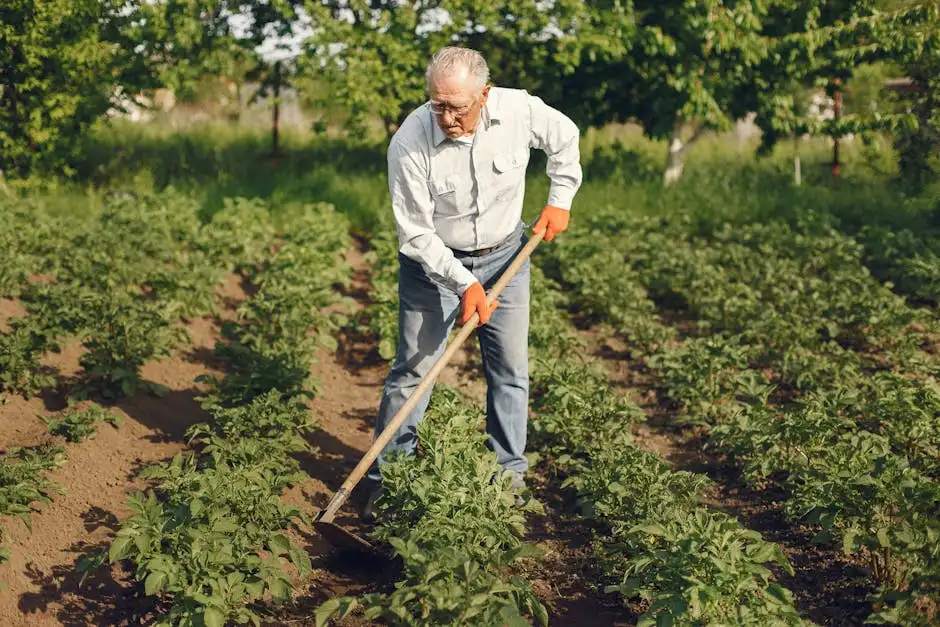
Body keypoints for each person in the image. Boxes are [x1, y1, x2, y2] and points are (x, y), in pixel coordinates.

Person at [362, 46, 582, 523]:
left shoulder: (519, 109)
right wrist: (464, 284)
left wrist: (560, 198)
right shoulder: (409, 141)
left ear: (484, 94)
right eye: (437, 104)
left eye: (457, 106)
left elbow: (565, 138)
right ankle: (388, 484)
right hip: (433, 268)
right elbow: (417, 233)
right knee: (413, 372)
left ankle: (508, 480)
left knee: (510, 371)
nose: (446, 116)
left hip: (507, 256)